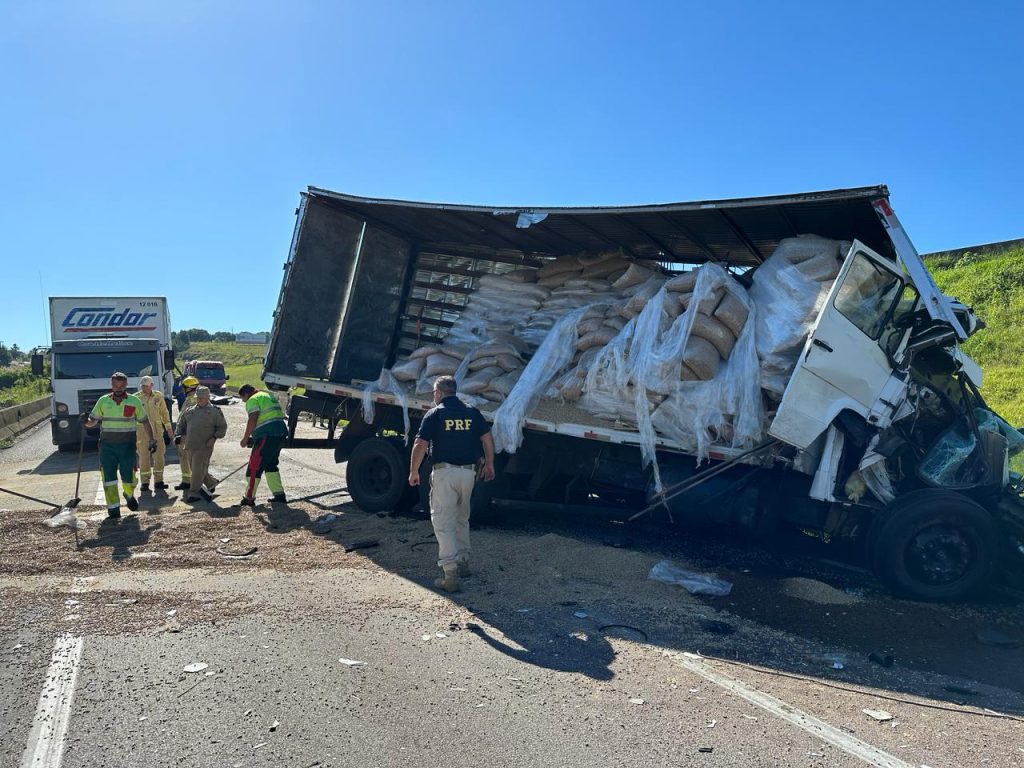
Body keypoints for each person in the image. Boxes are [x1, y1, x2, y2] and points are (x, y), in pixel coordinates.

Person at [408, 375, 495, 593]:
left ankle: (450, 573)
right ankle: (463, 562)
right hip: (468, 473)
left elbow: (420, 444)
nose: (433, 396)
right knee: (461, 517)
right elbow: (487, 439)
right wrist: (490, 465)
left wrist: (413, 471)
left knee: (442, 521)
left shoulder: (435, 414)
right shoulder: (472, 412)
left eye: (433, 393)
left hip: (445, 473)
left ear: (439, 393)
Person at [83, 372, 155, 518]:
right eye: (116, 385)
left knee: (129, 476)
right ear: (111, 385)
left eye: (122, 386)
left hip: (127, 446)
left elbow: (145, 421)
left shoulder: (134, 401)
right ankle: (113, 510)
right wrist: (85, 421)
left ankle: (128, 495)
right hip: (107, 447)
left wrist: (152, 439)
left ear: (126, 385)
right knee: (108, 479)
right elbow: (92, 422)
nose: (119, 388)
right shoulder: (103, 401)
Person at [237, 384, 288, 507]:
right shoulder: (267, 395)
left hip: (267, 433)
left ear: (246, 394)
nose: (244, 401)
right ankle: (279, 495)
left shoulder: (253, 399)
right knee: (270, 464)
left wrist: (245, 438)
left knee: (254, 467)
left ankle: (248, 499)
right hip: (280, 432)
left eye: (243, 398)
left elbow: (253, 419)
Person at [174, 386, 226, 503]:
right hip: (190, 445)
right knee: (196, 469)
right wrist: (178, 436)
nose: (199, 400)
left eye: (202, 398)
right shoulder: (190, 411)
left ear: (208, 397)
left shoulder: (215, 411)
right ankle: (211, 482)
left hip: (204, 446)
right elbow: (181, 425)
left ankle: (193, 493)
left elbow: (222, 427)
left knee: (197, 469)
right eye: (198, 397)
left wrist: (214, 438)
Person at [134, 375, 175, 492]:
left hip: (157, 432)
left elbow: (164, 413)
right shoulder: (136, 398)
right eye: (143, 386)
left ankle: (159, 481)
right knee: (143, 457)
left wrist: (169, 428)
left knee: (159, 457)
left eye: (147, 386)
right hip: (142, 433)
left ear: (152, 385)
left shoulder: (158, 396)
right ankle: (145, 482)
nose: (144, 389)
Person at [173, 376, 200, 491]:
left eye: (184, 387)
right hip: (184, 434)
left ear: (189, 388)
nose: (182, 390)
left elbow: (192, 420)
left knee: (191, 459)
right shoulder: (189, 399)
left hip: (188, 434)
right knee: (184, 457)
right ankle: (186, 481)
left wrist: (184, 434)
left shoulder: (193, 400)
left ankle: (200, 482)